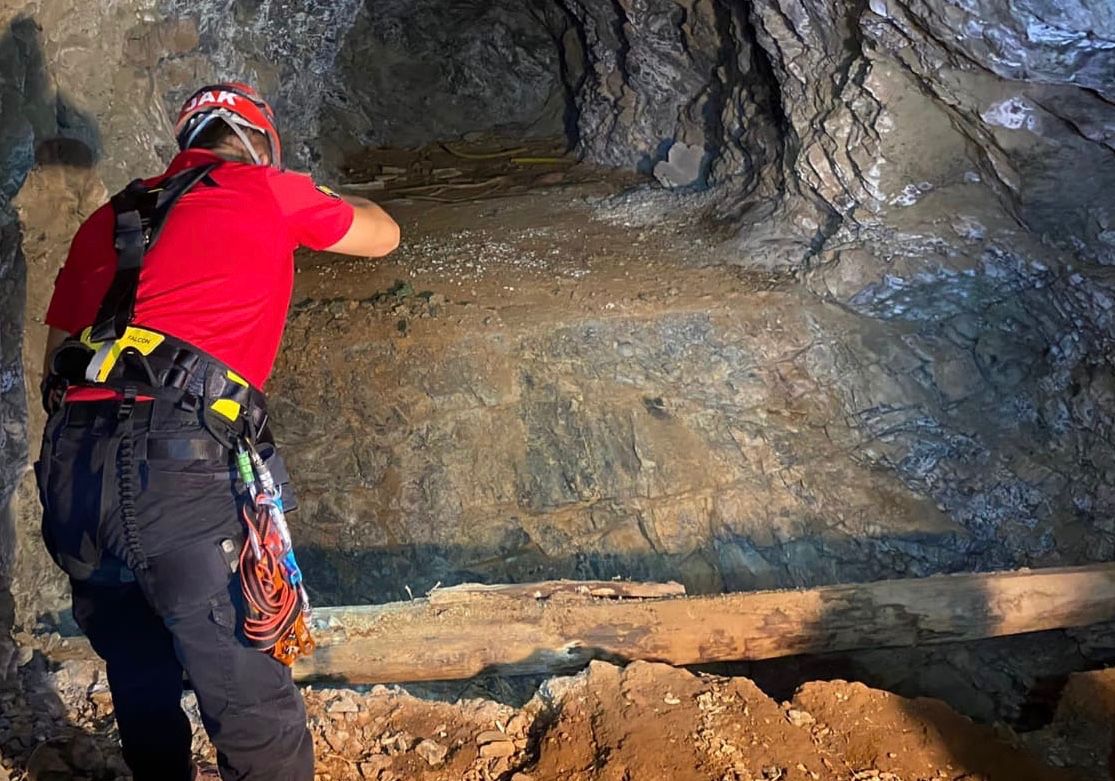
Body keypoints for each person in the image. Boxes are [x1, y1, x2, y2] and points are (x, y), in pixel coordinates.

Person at [34, 82, 399, 781]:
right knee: (250, 704)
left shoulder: (107, 218)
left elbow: (55, 361)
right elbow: (383, 234)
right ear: (260, 144)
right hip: (180, 470)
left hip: (75, 473)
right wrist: (307, 188)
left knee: (139, 673)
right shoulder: (266, 188)